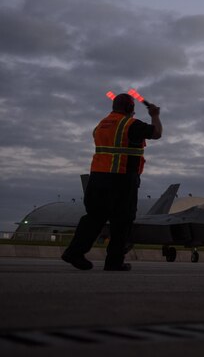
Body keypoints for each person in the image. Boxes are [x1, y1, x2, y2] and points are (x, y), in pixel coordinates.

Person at [61, 93, 162, 271]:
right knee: (122, 221)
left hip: (98, 177)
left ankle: (74, 252)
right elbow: (157, 133)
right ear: (130, 108)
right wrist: (154, 115)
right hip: (122, 178)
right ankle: (114, 262)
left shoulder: (101, 125)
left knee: (94, 218)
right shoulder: (130, 124)